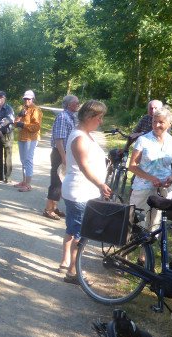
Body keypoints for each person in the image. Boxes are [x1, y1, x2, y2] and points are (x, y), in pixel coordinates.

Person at [60, 100, 112, 281]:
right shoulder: (80, 138)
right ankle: (73, 272)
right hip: (80, 191)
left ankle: (66, 262)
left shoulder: (85, 134)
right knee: (79, 233)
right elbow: (84, 166)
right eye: (99, 118)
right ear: (89, 117)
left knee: (73, 228)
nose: (101, 122)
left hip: (82, 191)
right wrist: (100, 184)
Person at [127, 106, 172, 234]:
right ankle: (125, 253)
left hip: (163, 190)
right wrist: (151, 178)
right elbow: (132, 165)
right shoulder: (143, 140)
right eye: (154, 121)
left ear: (169, 123)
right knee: (136, 223)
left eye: (161, 122)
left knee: (155, 225)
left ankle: (144, 254)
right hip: (143, 187)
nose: (156, 125)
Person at [44, 94, 80, 220]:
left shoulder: (71, 117)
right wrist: (64, 157)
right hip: (60, 153)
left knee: (61, 181)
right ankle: (48, 209)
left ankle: (54, 207)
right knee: (56, 180)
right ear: (69, 104)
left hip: (65, 153)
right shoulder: (63, 117)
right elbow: (59, 140)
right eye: (76, 103)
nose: (78, 105)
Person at [13, 90, 42, 192]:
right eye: (25, 98)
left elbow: (36, 127)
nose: (26, 100)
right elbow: (15, 123)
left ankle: (28, 184)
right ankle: (24, 181)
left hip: (31, 138)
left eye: (29, 99)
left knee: (28, 160)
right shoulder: (23, 109)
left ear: (32, 99)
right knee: (23, 160)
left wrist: (23, 125)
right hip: (22, 137)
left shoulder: (36, 110)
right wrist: (20, 116)